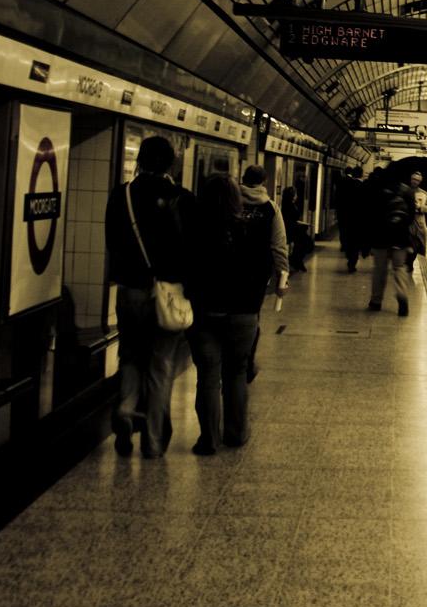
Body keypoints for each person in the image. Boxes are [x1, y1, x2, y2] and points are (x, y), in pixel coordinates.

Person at [103, 135, 196, 458]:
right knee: (161, 364)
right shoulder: (182, 199)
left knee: (129, 356)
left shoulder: (121, 195)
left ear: (140, 160)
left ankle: (126, 410)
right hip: (167, 293)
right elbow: (190, 251)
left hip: (129, 290)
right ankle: (154, 441)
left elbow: (112, 243)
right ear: (171, 163)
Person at [185, 175, 271, 453]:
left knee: (208, 376)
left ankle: (208, 439)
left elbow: (185, 269)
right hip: (243, 313)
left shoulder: (194, 228)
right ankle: (236, 434)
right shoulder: (253, 228)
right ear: (236, 198)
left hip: (205, 312)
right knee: (236, 373)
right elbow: (264, 269)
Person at [238, 165, 288, 380]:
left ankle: (227, 360)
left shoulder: (229, 201)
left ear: (242, 178)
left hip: (227, 269)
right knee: (252, 315)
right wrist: (282, 274)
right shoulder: (271, 208)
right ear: (264, 182)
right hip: (257, 272)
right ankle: (246, 362)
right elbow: (278, 245)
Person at [367, 171, 426, 316]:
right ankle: (402, 297)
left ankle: (376, 301)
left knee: (379, 270)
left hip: (381, 237)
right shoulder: (406, 191)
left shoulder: (378, 190)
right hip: (400, 237)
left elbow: (371, 215)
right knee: (400, 268)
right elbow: (411, 215)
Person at [336, 166, 368, 272]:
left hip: (346, 218)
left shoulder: (345, 185)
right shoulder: (363, 187)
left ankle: (349, 256)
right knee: (355, 241)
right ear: (361, 174)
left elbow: (340, 200)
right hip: (358, 220)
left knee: (349, 239)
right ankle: (352, 262)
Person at [281, 186, 311, 274]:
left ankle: (296, 260)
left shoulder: (291, 204)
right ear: (292, 195)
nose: (297, 196)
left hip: (293, 228)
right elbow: (289, 220)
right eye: (295, 194)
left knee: (303, 243)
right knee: (306, 243)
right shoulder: (288, 206)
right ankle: (295, 260)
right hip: (291, 229)